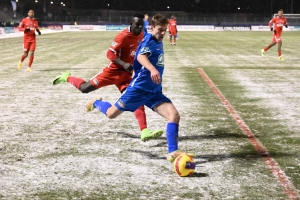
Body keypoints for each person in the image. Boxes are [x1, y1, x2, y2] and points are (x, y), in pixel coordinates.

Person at [85, 13, 193, 162]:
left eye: (165, 30)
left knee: (174, 116)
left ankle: (172, 152)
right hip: (138, 89)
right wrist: (152, 69)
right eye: (160, 30)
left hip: (154, 90)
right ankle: (96, 102)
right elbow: (141, 56)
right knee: (111, 114)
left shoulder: (157, 40)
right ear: (152, 28)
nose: (162, 33)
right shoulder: (148, 40)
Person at [52, 13, 163, 142]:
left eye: (141, 25)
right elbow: (109, 53)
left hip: (126, 75)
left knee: (136, 98)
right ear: (131, 24)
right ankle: (67, 77)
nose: (139, 28)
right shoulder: (123, 36)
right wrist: (123, 63)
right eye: (137, 25)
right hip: (112, 72)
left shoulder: (142, 36)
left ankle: (144, 131)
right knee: (84, 88)